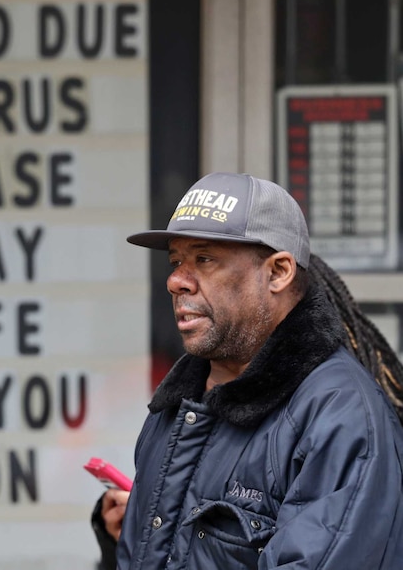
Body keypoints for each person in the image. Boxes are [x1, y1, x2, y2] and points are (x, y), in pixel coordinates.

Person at [91, 172, 403, 569]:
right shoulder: (176, 407)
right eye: (175, 261)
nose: (175, 281)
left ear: (278, 273)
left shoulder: (342, 416)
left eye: (203, 259)